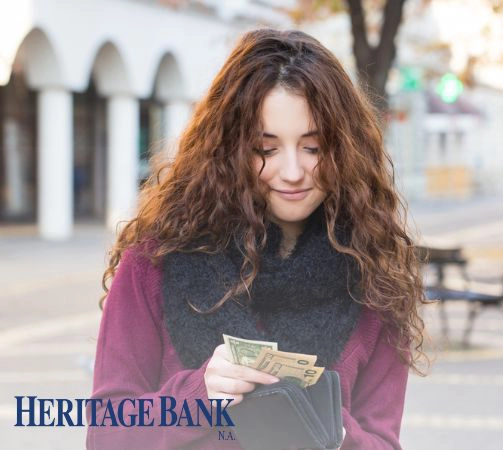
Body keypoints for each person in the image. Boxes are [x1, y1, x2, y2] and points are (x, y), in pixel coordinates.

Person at [88, 28, 430, 450]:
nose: (292, 172)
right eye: (266, 150)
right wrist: (198, 396)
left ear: (345, 149)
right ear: (229, 149)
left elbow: (383, 441)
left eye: (313, 148)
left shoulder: (375, 278)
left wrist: (334, 431)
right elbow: (106, 435)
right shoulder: (155, 260)